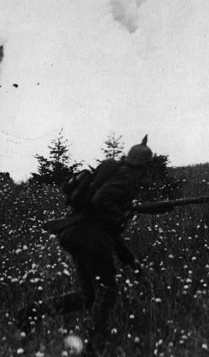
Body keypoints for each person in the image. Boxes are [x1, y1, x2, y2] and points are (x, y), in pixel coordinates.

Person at [16, 135, 153, 356]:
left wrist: (130, 260)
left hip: (78, 237)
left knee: (88, 296)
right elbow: (102, 205)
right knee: (107, 293)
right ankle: (93, 346)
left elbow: (108, 226)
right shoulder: (125, 180)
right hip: (90, 240)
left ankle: (30, 313)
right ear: (144, 166)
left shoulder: (113, 174)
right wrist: (122, 214)